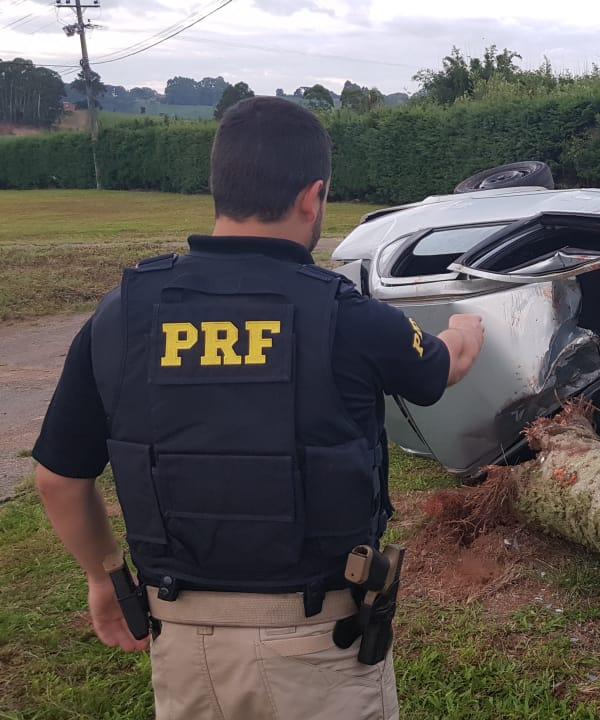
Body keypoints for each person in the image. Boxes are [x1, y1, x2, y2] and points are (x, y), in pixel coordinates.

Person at [32, 96, 485, 720]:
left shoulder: (123, 314)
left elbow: (58, 478)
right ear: (313, 196)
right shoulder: (345, 315)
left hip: (185, 647)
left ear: (219, 190)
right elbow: (445, 365)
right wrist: (469, 322)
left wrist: (104, 574)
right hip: (318, 647)